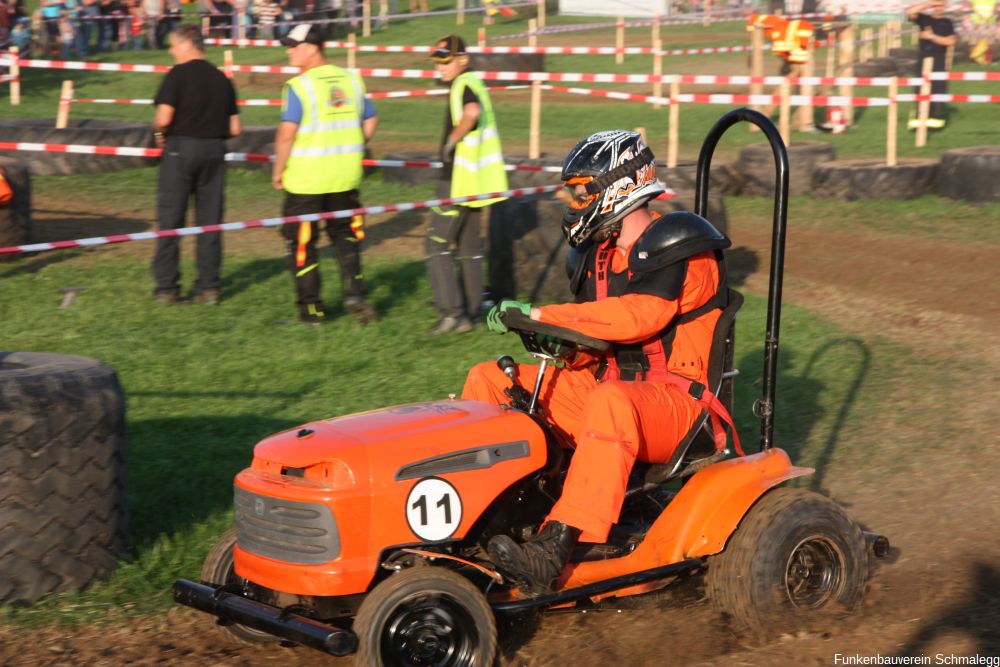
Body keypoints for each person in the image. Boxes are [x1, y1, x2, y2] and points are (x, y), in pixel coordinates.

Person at [462, 131, 736, 595]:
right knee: (489, 378)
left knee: (611, 400)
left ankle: (552, 549)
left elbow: (637, 317)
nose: (574, 200)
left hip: (682, 407)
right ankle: (479, 518)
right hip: (614, 393)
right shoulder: (600, 257)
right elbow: (595, 340)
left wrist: (544, 314)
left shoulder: (682, 245)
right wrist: (552, 338)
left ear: (621, 185)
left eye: (582, 189)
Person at [272, 24, 379, 325]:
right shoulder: (352, 80)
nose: (289, 51)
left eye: (294, 45)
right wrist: (353, 147)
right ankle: (355, 295)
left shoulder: (300, 86)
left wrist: (278, 169)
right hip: (345, 177)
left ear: (312, 48)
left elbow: (285, 135)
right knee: (346, 236)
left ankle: (312, 311)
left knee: (302, 243)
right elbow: (371, 119)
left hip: (306, 180)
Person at [151, 24, 241, 304]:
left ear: (188, 44)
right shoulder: (222, 78)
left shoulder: (177, 74)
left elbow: (164, 119)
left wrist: (158, 137)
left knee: (171, 218)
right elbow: (236, 128)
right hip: (214, 151)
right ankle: (209, 287)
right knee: (210, 222)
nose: (171, 51)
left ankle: (167, 288)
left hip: (180, 149)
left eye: (173, 45)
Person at [425, 34, 508, 336]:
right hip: (477, 182)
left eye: (445, 61)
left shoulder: (462, 85)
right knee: (469, 248)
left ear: (463, 59)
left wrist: (451, 139)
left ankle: (451, 314)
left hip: (456, 181)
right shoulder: (475, 82)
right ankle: (472, 313)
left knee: (435, 246)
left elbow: (470, 113)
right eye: (438, 60)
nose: (440, 67)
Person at [907, 0, 956, 129]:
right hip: (923, 57)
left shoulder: (947, 22)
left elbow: (950, 41)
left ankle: (936, 120)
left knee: (938, 88)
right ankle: (919, 118)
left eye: (941, 5)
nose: (938, 8)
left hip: (939, 58)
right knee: (919, 87)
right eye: (936, 5)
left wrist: (931, 37)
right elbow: (910, 12)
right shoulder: (924, 19)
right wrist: (929, 3)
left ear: (945, 7)